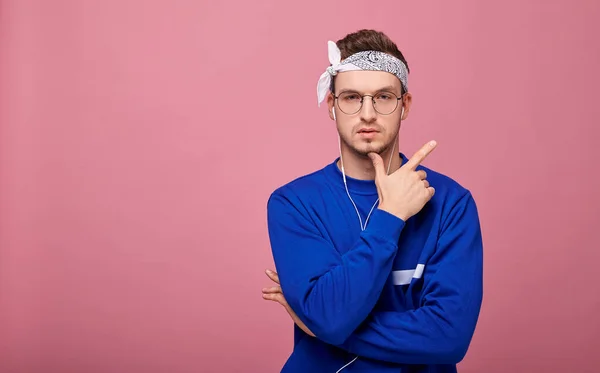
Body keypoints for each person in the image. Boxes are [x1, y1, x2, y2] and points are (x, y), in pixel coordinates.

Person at [261, 29, 484, 373]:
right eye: (352, 97)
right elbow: (329, 319)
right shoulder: (293, 204)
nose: (367, 113)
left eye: (383, 97)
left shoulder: (451, 204)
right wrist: (391, 214)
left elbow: (449, 337)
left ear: (404, 105)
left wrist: (321, 325)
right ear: (332, 106)